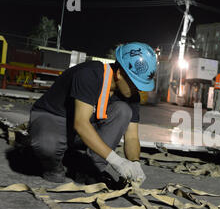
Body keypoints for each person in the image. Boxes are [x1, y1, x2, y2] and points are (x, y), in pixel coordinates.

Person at [29, 42, 157, 188]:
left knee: (123, 110)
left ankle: (90, 170)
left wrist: (135, 163)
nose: (138, 90)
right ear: (119, 73)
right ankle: (53, 166)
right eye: (135, 83)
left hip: (80, 131)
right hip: (53, 118)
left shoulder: (131, 95)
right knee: (47, 144)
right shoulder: (90, 75)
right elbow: (81, 123)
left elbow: (132, 136)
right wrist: (117, 161)